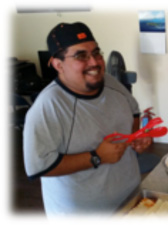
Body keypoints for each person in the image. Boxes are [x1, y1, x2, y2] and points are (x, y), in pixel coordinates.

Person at [23, 22, 152, 216]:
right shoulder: (47, 107)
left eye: (96, 52)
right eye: (81, 55)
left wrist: (136, 137)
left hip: (130, 201)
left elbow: (133, 112)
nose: (95, 62)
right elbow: (39, 166)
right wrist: (96, 157)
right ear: (58, 65)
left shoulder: (111, 82)